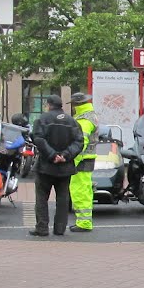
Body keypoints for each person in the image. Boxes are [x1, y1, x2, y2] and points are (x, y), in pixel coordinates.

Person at [29, 96, 81, 237]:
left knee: (41, 198)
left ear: (49, 105)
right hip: (65, 167)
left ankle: (42, 228)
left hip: (45, 166)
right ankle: (60, 229)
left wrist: (52, 155)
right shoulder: (72, 121)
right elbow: (79, 142)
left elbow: (38, 139)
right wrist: (65, 155)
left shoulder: (42, 119)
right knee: (63, 199)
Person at [68, 91, 99, 232]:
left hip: (81, 159)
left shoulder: (84, 120)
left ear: (77, 104)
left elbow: (82, 142)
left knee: (79, 190)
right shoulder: (88, 116)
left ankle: (84, 223)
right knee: (85, 190)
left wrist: (74, 159)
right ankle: (84, 221)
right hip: (87, 159)